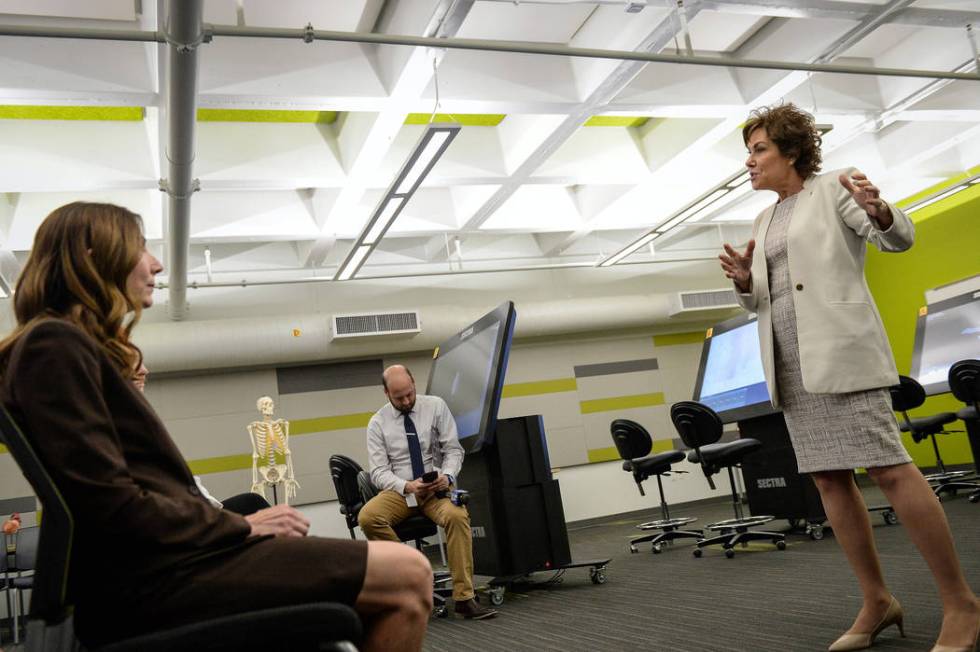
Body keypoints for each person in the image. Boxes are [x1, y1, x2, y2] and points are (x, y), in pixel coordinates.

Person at [0, 202, 433, 652]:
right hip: (153, 580)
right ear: (92, 256)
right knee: (410, 575)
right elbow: (111, 506)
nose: (157, 263)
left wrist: (233, 525)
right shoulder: (54, 345)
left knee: (369, 592)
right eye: (140, 247)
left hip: (161, 567)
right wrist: (240, 528)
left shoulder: (60, 345)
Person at [719, 103, 979, 652]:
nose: (750, 161)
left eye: (759, 149)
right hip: (791, 364)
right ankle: (877, 599)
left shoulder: (837, 185)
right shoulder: (763, 220)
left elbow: (895, 238)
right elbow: (769, 298)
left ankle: (960, 603)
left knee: (889, 470)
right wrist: (746, 281)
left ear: (792, 151)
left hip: (842, 352)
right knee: (829, 479)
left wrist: (880, 210)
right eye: (749, 151)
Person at [358, 365, 498, 620]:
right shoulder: (377, 423)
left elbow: (454, 450)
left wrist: (447, 476)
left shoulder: (435, 406)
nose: (406, 400)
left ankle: (465, 598)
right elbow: (377, 472)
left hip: (436, 489)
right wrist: (407, 486)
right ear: (386, 393)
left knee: (457, 516)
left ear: (413, 383)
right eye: (399, 397)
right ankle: (411, 576)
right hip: (401, 490)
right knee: (368, 517)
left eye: (409, 394)